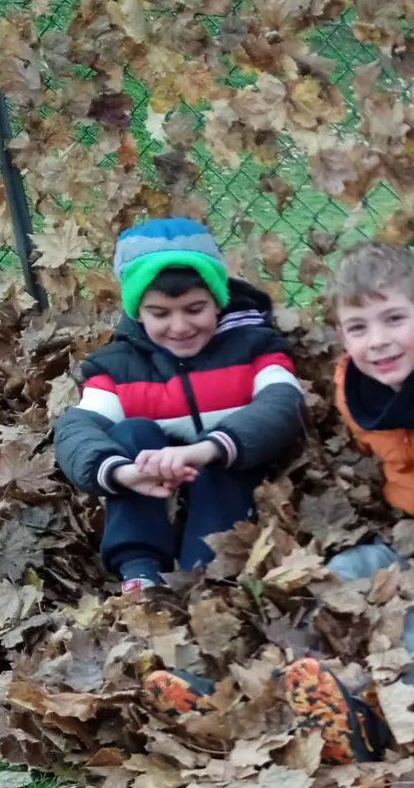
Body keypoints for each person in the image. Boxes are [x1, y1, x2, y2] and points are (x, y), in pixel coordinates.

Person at [143, 241, 414, 765]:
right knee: (341, 573)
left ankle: (378, 715)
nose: (380, 341)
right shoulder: (356, 386)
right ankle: (261, 693)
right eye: (360, 328)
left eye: (394, 319)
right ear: (342, 336)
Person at [54, 217, 304, 595]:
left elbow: (283, 402)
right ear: (138, 312)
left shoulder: (255, 346)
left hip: (228, 478)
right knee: (130, 433)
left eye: (195, 308)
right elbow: (76, 430)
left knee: (226, 454)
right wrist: (121, 473)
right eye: (161, 313)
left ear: (217, 300)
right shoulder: (118, 366)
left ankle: (207, 574)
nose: (180, 326)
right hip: (154, 480)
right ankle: (141, 570)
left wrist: (205, 449)